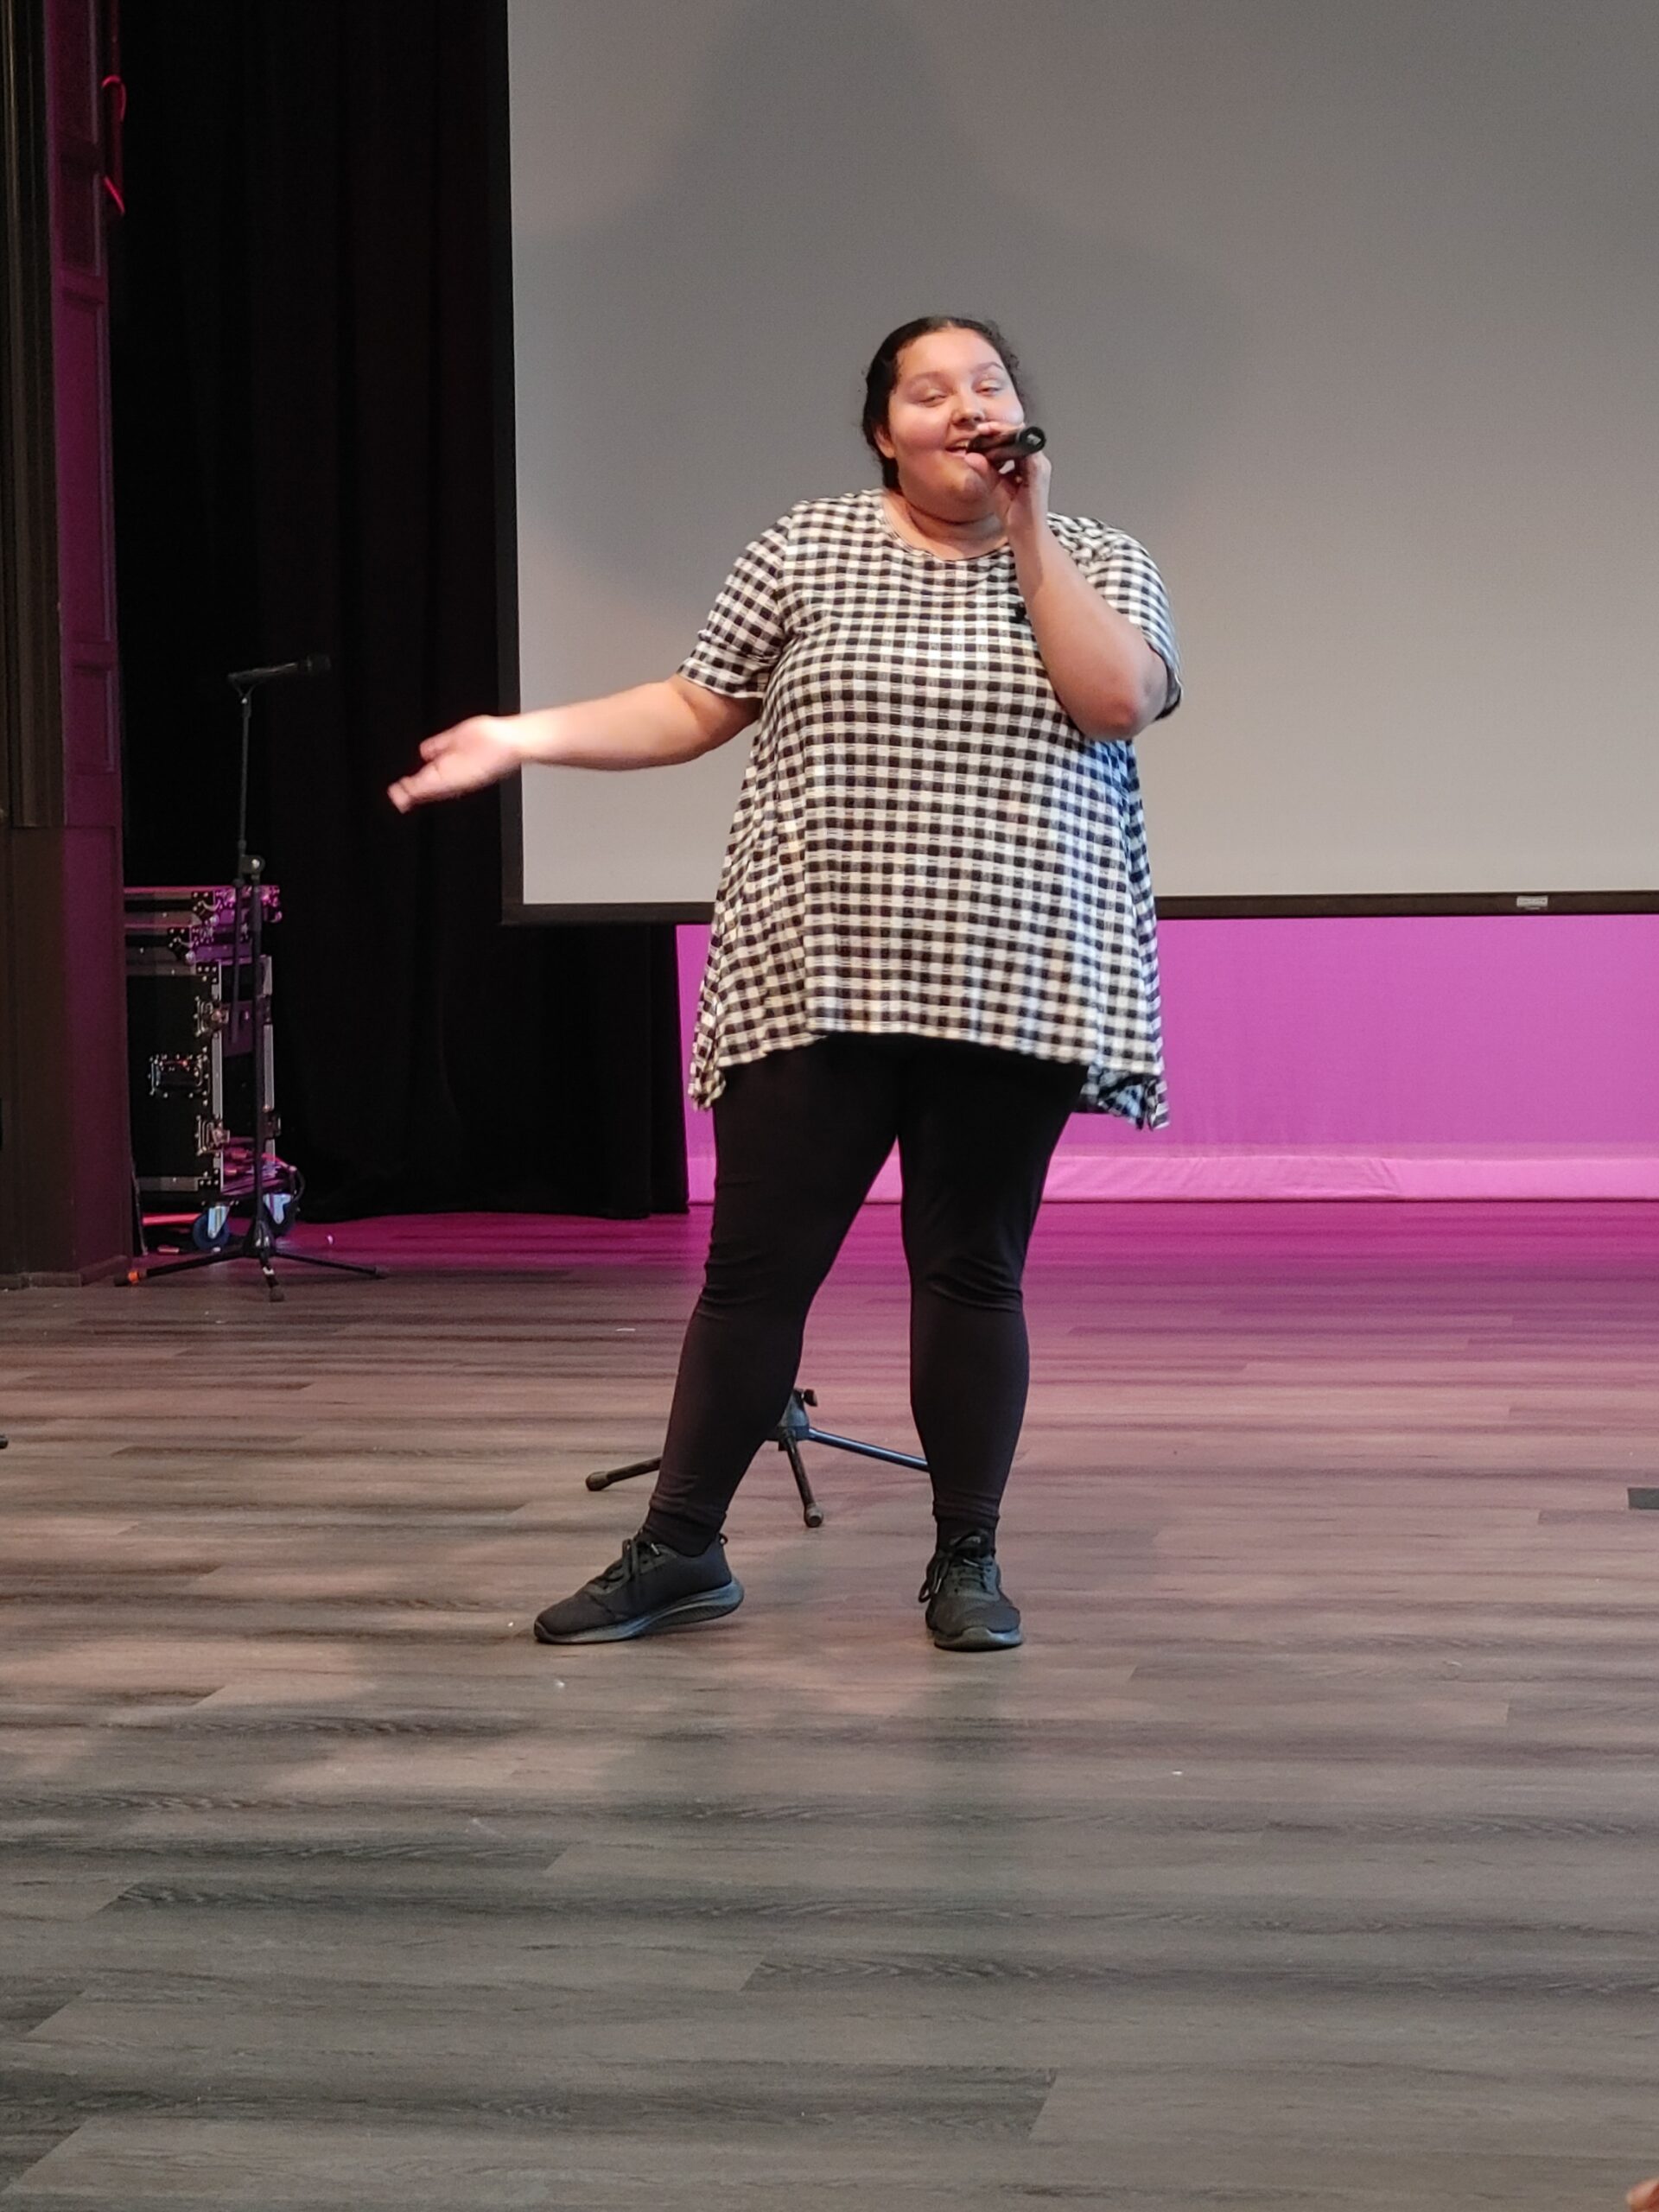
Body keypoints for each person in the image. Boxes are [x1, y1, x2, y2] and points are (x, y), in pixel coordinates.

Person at [390, 315, 1181, 1652]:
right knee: (755, 1275)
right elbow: (696, 706)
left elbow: (1115, 702)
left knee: (972, 1271)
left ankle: (966, 1561)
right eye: (930, 393)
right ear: (885, 431)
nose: (965, 409)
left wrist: (1031, 534)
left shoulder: (1099, 558)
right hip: (812, 965)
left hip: (1018, 970)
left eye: (987, 386)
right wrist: (524, 736)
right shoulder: (805, 547)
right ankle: (680, 1550)